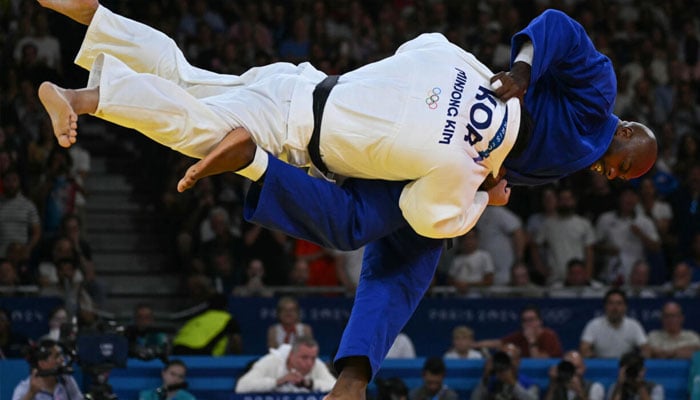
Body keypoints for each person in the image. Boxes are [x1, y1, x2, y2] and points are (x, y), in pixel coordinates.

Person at [36, 3, 658, 399]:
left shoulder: (444, 56)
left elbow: (426, 48)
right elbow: (557, 28)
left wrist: (492, 167)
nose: (613, 172)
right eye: (623, 166)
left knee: (189, 77)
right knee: (350, 222)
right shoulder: (595, 104)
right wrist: (519, 81)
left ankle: (98, 22)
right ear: (627, 130)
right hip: (337, 144)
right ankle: (104, 104)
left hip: (318, 86)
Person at [235, 336, 336, 393]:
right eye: (304, 357)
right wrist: (278, 382)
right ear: (291, 355)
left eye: (313, 358)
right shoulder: (271, 361)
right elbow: (241, 386)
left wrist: (310, 384)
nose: (310, 363)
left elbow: (335, 388)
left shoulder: (317, 364)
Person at [579, 289, 650, 359]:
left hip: (626, 366)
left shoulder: (634, 325)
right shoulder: (594, 325)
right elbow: (584, 349)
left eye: (619, 303)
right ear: (605, 306)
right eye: (611, 303)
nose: (615, 308)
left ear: (625, 307)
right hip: (601, 365)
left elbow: (646, 350)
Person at [475, 305, 563, 358]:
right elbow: (498, 343)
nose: (528, 324)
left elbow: (538, 362)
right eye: (525, 320)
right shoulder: (520, 336)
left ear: (540, 321)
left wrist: (532, 342)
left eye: (531, 320)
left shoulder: (549, 336)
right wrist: (473, 345)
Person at [171, 293, 242, 355]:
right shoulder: (227, 319)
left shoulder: (199, 317)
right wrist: (238, 357)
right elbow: (236, 342)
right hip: (199, 351)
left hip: (177, 348)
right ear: (226, 306)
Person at [12, 339, 83, 400]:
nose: (62, 359)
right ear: (42, 364)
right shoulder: (25, 387)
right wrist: (31, 393)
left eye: (61, 355)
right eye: (57, 356)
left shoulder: (66, 379)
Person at [470, 343, 538, 400]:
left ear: (518, 361)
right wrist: (485, 376)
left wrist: (513, 383)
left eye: (511, 359)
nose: (507, 363)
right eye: (504, 360)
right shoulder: (491, 381)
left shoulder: (527, 383)